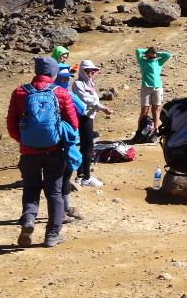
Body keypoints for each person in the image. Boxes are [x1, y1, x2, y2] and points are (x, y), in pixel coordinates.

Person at [6, 56, 78, 247]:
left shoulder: (20, 92)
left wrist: (25, 141)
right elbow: (73, 124)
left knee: (31, 188)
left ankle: (29, 219)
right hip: (54, 151)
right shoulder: (60, 93)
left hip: (28, 152)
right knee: (54, 192)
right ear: (54, 72)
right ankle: (52, 235)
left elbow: (11, 125)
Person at [73, 59, 114, 187]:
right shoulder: (78, 84)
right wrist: (102, 108)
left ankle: (80, 176)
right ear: (83, 71)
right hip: (84, 116)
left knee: (86, 146)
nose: (91, 73)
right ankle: (86, 177)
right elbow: (87, 100)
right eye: (88, 71)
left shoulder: (89, 83)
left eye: (92, 71)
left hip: (89, 116)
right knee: (88, 146)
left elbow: (93, 99)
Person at [54, 64, 86, 221]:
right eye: (65, 77)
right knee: (65, 175)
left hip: (46, 140)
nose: (66, 80)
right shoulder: (65, 93)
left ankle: (29, 215)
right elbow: (82, 109)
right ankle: (65, 210)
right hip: (65, 139)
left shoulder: (41, 90)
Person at [135, 46, 172, 139]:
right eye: (151, 55)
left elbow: (168, 55)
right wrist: (148, 51)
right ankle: (140, 131)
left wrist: (156, 53)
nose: (153, 56)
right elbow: (138, 51)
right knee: (144, 111)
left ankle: (154, 131)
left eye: (154, 55)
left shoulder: (158, 62)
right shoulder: (143, 61)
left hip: (158, 88)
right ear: (147, 54)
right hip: (146, 88)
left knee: (155, 109)